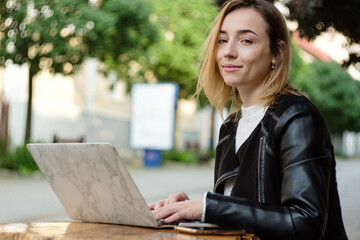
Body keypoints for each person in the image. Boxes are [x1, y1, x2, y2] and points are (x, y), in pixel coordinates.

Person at [149, 0, 348, 239]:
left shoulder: (298, 118)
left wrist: (210, 206)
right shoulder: (230, 128)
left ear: (277, 53)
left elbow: (306, 223)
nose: (228, 51)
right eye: (222, 40)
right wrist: (193, 210)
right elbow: (243, 213)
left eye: (246, 40)